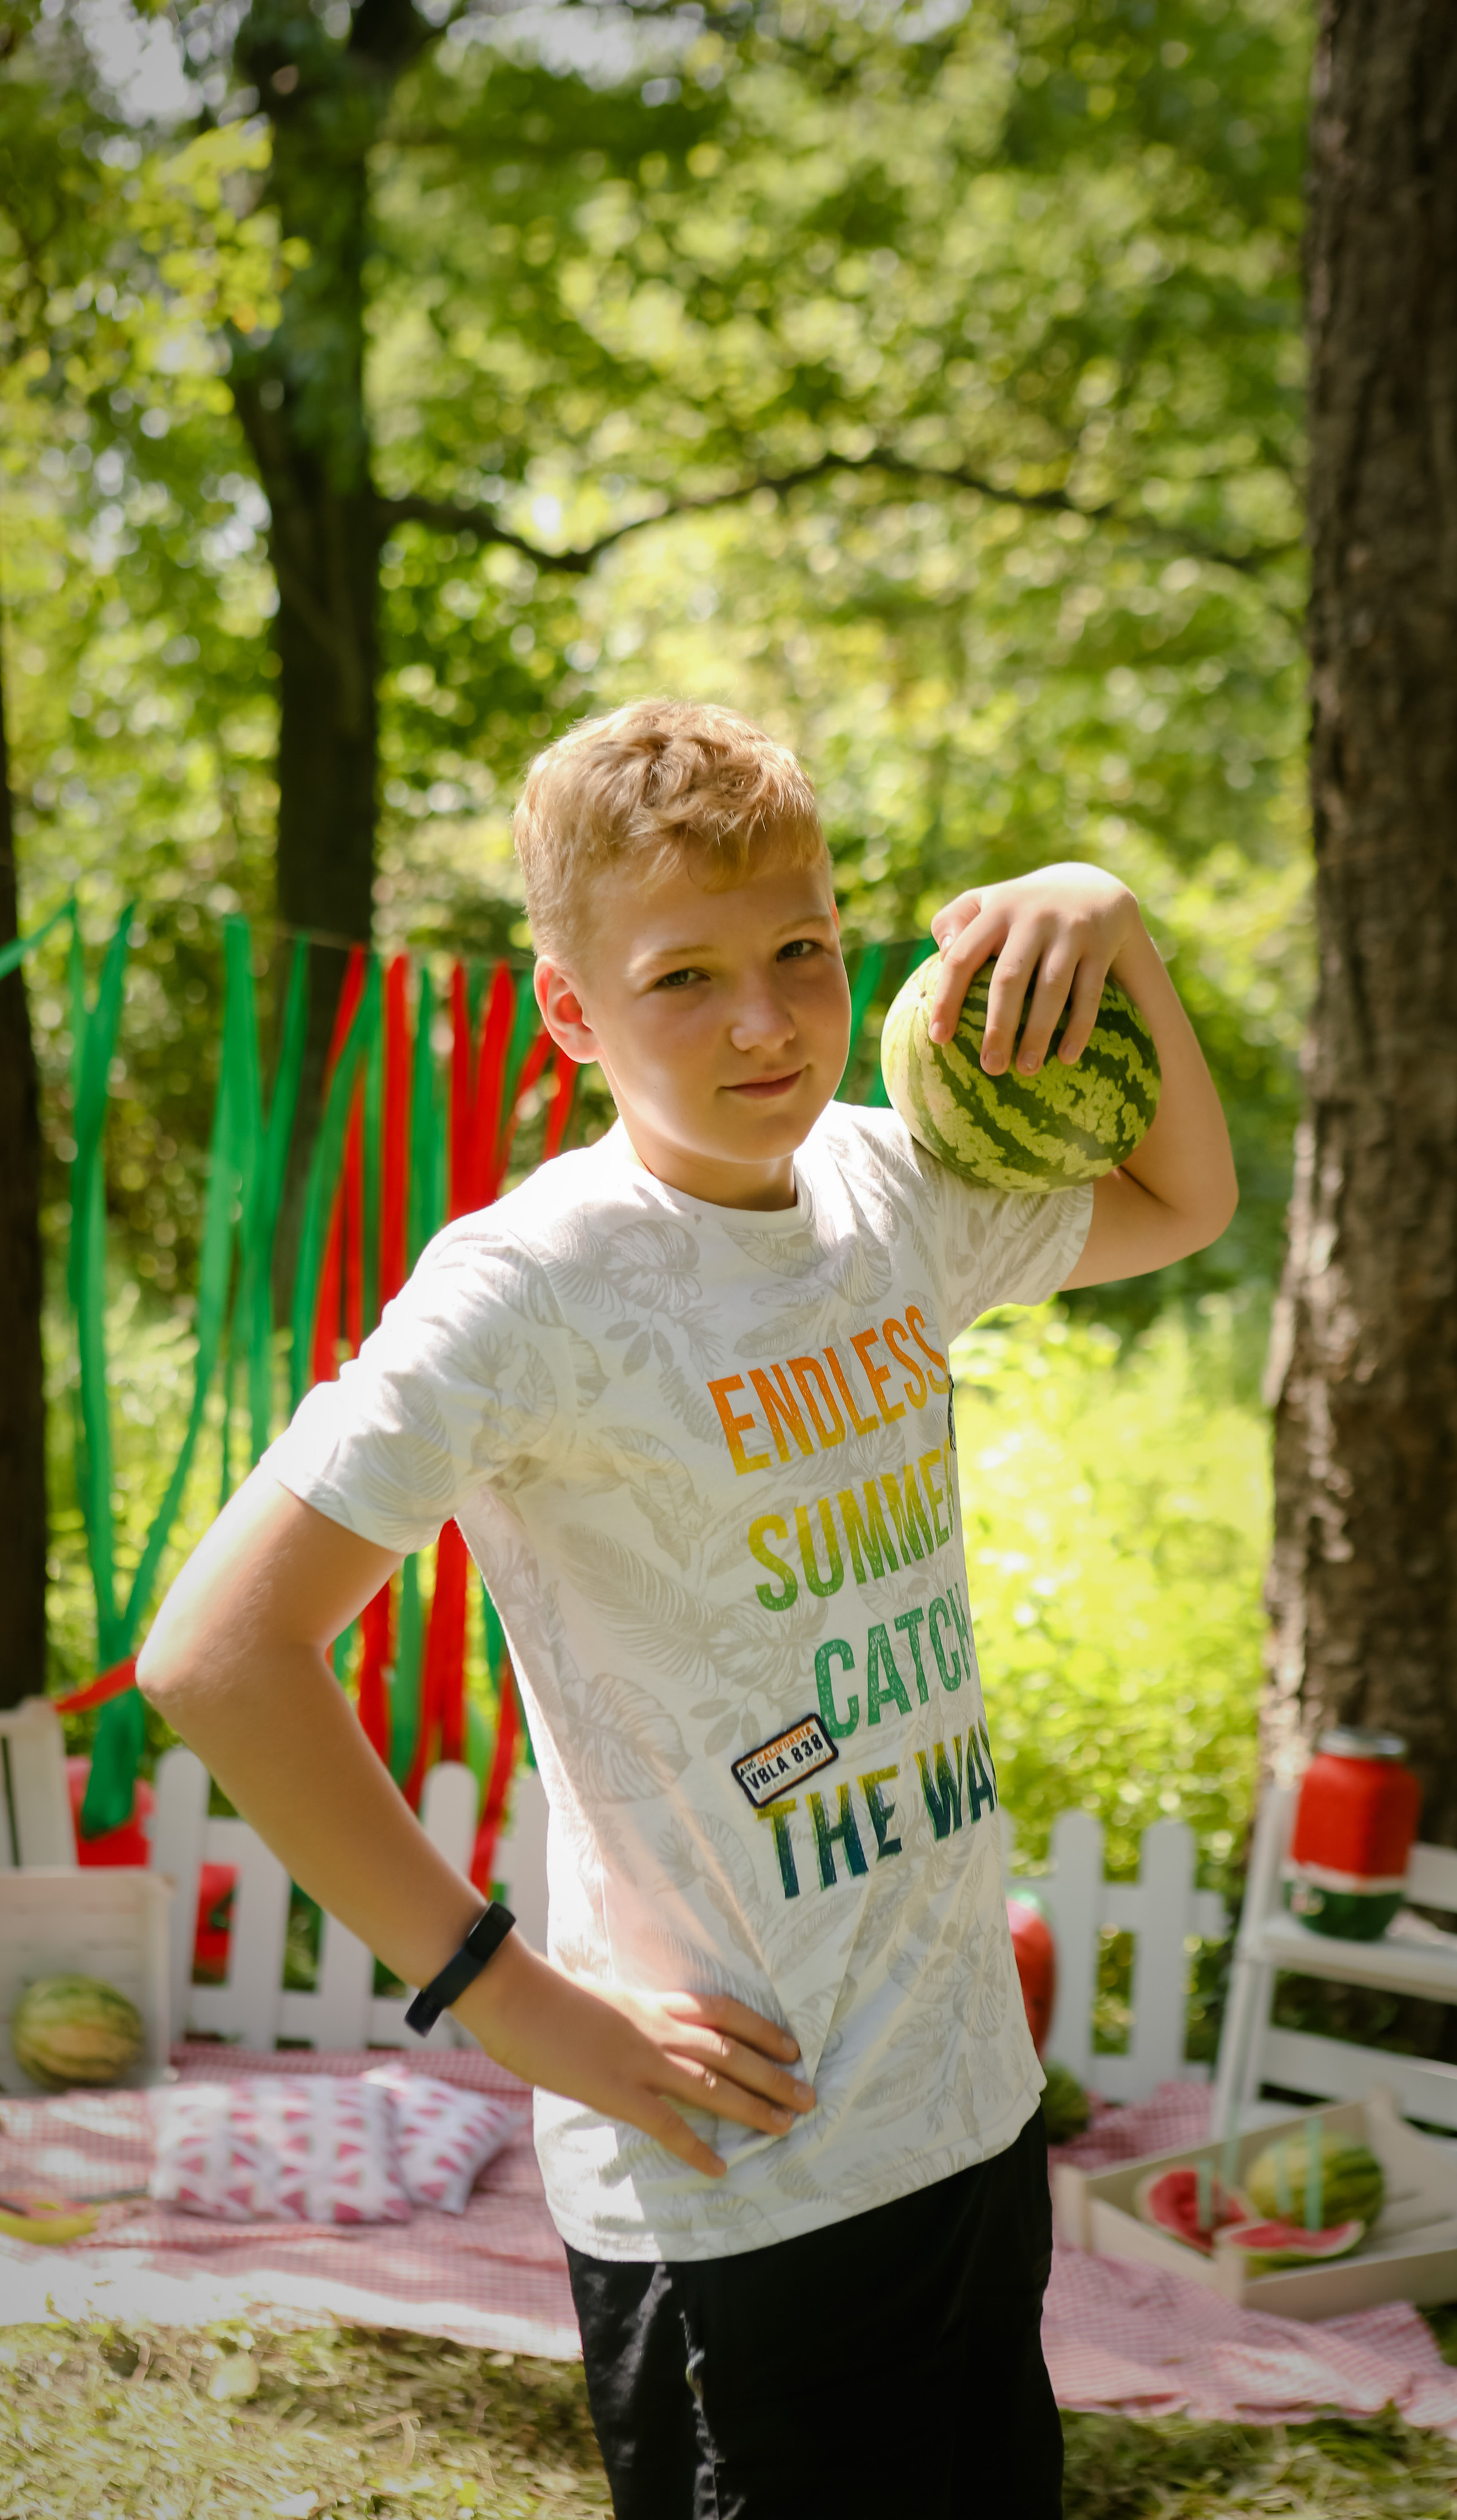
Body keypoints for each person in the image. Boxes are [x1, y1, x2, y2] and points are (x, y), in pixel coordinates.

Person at [139, 699, 1236, 2519]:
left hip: (965, 2112)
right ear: (571, 1011)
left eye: (802, 950)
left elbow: (1181, 1196)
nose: (766, 1019)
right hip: (740, 2175)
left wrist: (1107, 918)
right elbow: (217, 1654)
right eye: (685, 977)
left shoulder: (896, 1184)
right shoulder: (527, 1291)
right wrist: (515, 2006)